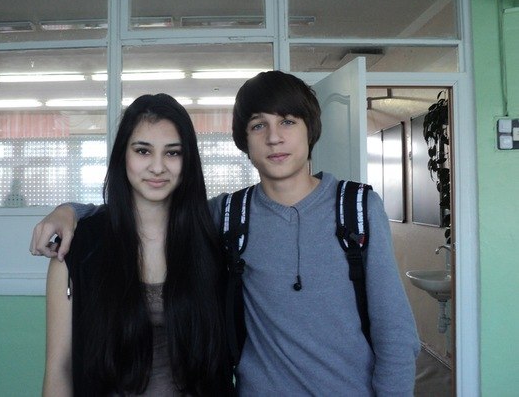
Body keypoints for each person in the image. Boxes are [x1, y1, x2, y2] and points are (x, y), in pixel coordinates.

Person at [33, 72, 420, 396]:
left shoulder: (357, 208)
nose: (274, 137)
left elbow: (397, 337)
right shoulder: (230, 216)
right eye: (258, 125)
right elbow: (144, 209)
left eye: (288, 121)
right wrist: (70, 212)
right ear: (243, 140)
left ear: (310, 130)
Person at [42, 93, 233, 396]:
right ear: (123, 156)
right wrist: (67, 210)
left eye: (172, 153)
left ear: (188, 161)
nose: (157, 167)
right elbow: (59, 369)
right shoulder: (76, 248)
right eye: (143, 151)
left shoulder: (213, 241)